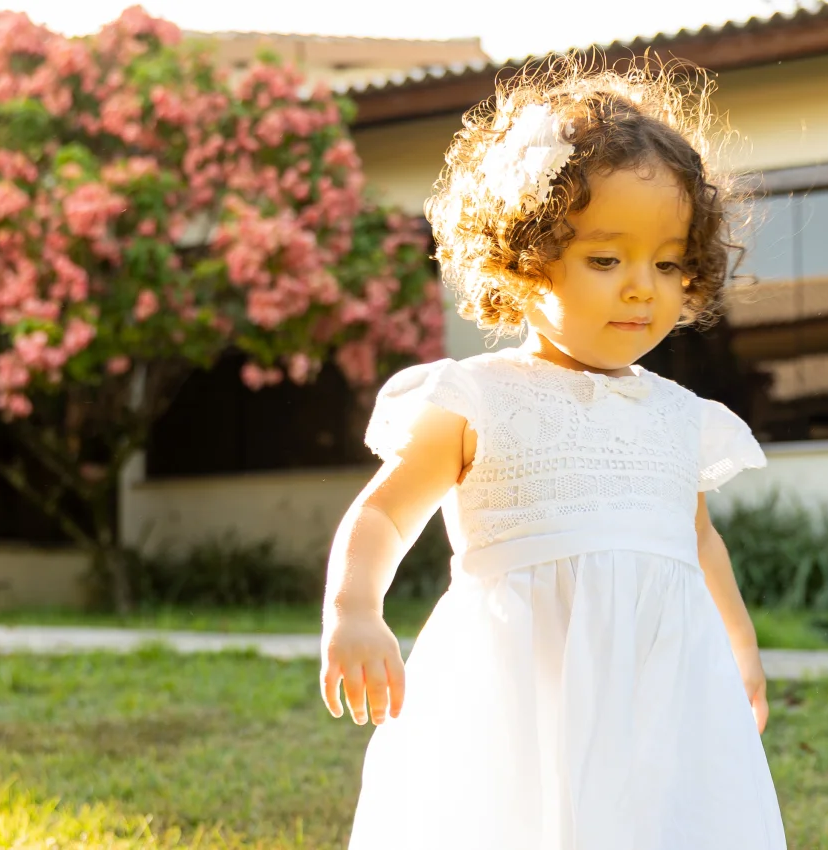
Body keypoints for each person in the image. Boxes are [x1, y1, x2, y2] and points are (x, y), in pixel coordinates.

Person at [321, 58, 788, 850]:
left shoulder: (679, 417)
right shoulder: (479, 398)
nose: (641, 287)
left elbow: (698, 541)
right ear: (523, 258)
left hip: (657, 693)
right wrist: (355, 608)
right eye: (606, 260)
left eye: (667, 264)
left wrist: (739, 649)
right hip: (518, 693)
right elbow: (387, 513)